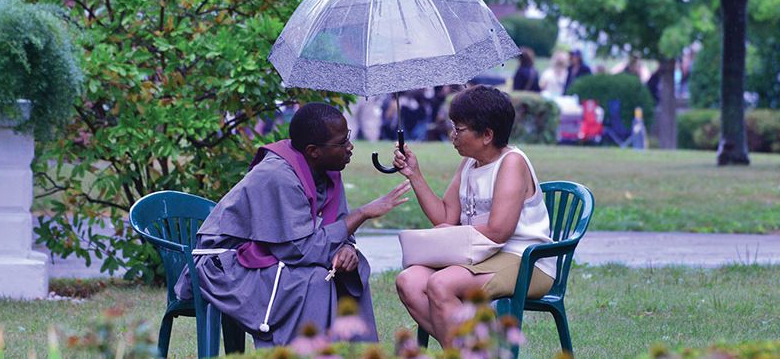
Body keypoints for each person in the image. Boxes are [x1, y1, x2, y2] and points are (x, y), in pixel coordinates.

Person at [174, 102, 411, 347]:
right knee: (315, 281)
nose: (350, 147)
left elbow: (338, 227)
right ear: (313, 150)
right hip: (225, 266)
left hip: (272, 254)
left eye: (348, 138)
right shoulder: (278, 175)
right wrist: (363, 213)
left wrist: (347, 250)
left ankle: (351, 352)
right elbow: (300, 250)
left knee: (351, 268)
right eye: (342, 143)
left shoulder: (327, 171)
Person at [391, 85, 555, 348]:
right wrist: (414, 175)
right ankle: (476, 350)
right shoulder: (469, 162)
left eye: (459, 128)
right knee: (408, 281)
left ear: (487, 135)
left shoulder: (511, 162)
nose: (452, 134)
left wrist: (448, 233)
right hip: (480, 253)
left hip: (524, 258)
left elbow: (499, 231)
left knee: (441, 284)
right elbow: (444, 215)